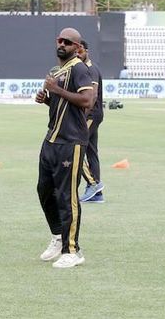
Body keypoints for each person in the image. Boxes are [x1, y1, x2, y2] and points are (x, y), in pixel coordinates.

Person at [35, 27, 93, 268]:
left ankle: (73, 250)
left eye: (68, 42)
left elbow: (88, 100)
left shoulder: (79, 68)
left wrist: (56, 90)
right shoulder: (58, 71)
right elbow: (62, 103)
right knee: (44, 190)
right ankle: (58, 236)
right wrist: (48, 98)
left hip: (71, 142)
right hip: (51, 139)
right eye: (59, 40)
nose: (62, 44)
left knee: (68, 196)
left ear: (77, 47)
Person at [77, 40, 105, 203]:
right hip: (93, 115)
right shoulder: (85, 69)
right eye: (76, 52)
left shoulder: (90, 69)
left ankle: (93, 183)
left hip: (91, 115)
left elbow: (93, 96)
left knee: (74, 147)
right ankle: (97, 195)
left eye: (81, 51)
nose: (78, 54)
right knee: (91, 151)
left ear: (86, 51)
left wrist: (82, 116)